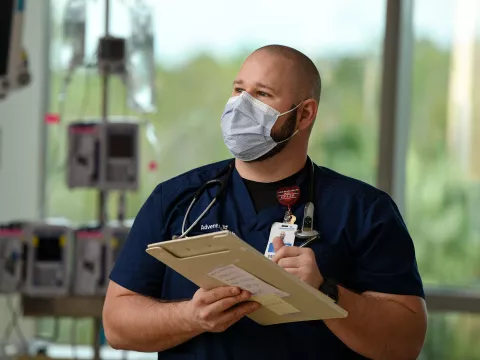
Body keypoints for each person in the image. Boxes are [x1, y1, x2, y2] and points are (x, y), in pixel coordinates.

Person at [103, 45, 427, 360]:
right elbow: (117, 324)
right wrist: (191, 316)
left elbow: (405, 342)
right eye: (238, 89)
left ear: (304, 114)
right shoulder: (177, 200)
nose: (241, 106)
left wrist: (326, 292)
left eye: (262, 95)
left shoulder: (364, 211)